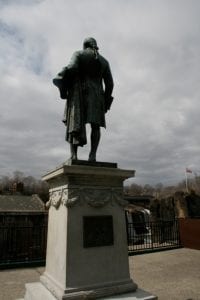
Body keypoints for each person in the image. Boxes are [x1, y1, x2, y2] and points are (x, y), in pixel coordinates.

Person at [53, 37, 114, 162]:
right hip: (97, 96)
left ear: (85, 45)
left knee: (75, 122)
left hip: (79, 93)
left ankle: (74, 155)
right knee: (95, 126)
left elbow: (73, 67)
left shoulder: (79, 54)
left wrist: (62, 76)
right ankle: (92, 156)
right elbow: (110, 84)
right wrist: (106, 102)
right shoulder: (104, 61)